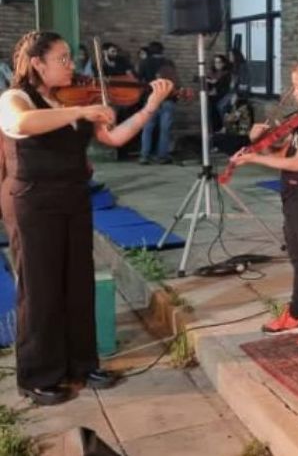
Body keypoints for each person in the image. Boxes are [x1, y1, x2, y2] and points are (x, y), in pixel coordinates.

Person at [0, 30, 173, 406]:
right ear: (37, 63)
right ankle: (38, 376)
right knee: (40, 288)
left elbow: (114, 137)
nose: (72, 65)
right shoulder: (15, 97)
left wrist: (150, 106)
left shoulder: (78, 96)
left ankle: (82, 364)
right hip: (32, 200)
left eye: (70, 57)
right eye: (62, 58)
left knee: (79, 284)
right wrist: (79, 112)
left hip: (74, 196)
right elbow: (19, 124)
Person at [230, 59, 298, 353]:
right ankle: (297, 313)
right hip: (290, 194)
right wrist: (258, 141)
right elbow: (281, 153)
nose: (295, 92)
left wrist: (254, 157)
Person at [139, 43, 180, 165]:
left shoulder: (144, 63)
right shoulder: (169, 63)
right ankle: (162, 156)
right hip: (167, 98)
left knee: (147, 128)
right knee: (165, 129)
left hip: (151, 98)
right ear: (162, 50)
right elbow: (175, 81)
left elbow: (139, 80)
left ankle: (144, 155)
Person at [208, 54, 232, 133]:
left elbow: (224, 86)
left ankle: (224, 128)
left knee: (221, 108)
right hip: (213, 98)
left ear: (223, 63)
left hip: (223, 96)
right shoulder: (212, 73)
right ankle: (215, 130)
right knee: (212, 113)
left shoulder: (226, 73)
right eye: (215, 62)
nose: (217, 64)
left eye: (219, 62)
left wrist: (214, 83)